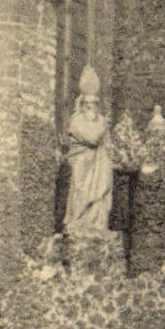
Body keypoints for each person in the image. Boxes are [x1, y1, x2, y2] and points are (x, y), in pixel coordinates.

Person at [63, 66, 114, 235]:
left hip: (99, 165)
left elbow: (107, 144)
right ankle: (77, 222)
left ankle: (96, 222)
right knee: (80, 191)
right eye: (88, 104)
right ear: (82, 104)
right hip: (82, 163)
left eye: (94, 104)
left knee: (100, 192)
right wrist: (103, 126)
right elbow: (91, 138)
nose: (91, 107)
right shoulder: (76, 121)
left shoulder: (100, 120)